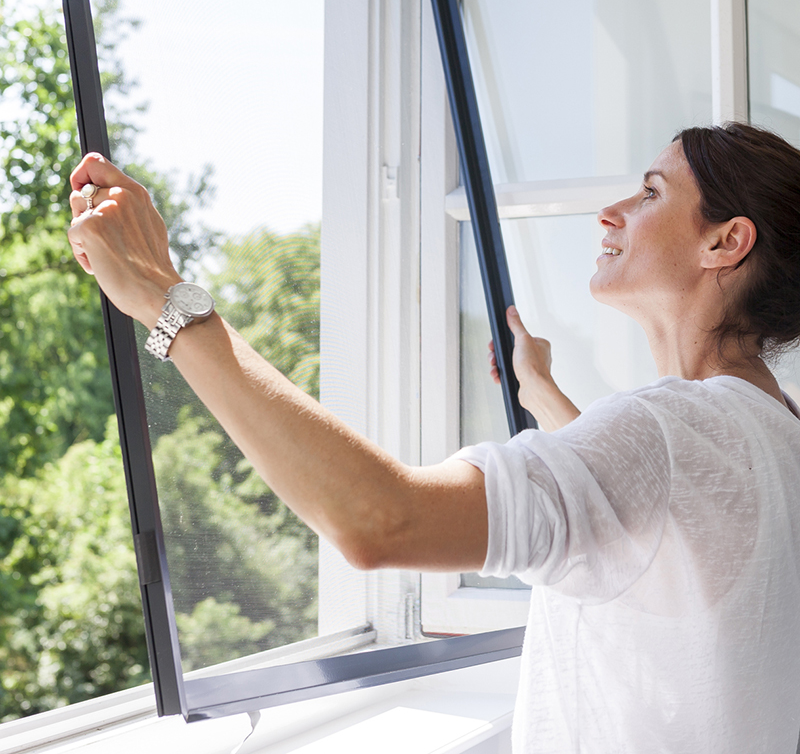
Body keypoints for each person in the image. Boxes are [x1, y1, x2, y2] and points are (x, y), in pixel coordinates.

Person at [68, 122, 800, 753]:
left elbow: (381, 521)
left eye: (649, 193)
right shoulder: (773, 432)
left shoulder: (663, 431)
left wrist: (169, 301)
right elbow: (668, 529)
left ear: (726, 241)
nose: (611, 213)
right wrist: (541, 395)